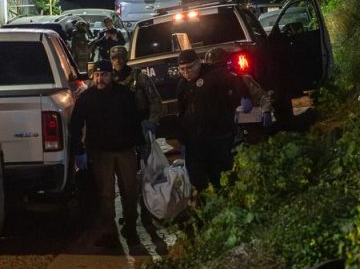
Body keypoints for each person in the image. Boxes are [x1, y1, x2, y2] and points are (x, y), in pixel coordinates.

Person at [70, 59, 142, 247]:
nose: (100, 79)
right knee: (105, 194)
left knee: (130, 191)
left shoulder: (124, 95)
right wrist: (79, 150)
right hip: (100, 153)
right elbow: (76, 124)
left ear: (112, 76)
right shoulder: (87, 98)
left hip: (125, 150)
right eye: (98, 75)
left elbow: (135, 120)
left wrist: (140, 145)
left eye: (105, 75)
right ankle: (109, 231)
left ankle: (131, 228)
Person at [175, 48, 251, 191]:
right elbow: (182, 110)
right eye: (182, 69)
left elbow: (236, 81)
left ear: (198, 63)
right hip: (194, 139)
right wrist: (182, 136)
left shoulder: (213, 74)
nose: (186, 72)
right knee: (197, 176)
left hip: (218, 135)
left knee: (221, 174)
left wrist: (244, 97)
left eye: (190, 68)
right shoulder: (182, 85)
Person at [203, 47, 273, 131]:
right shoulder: (203, 86)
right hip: (220, 131)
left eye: (221, 65)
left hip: (246, 128)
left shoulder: (242, 79)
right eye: (214, 67)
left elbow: (262, 97)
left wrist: (266, 111)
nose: (219, 71)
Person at [110, 45, 162, 139]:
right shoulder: (109, 80)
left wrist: (152, 121)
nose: (117, 61)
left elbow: (155, 101)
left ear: (126, 58)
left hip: (141, 124)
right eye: (114, 58)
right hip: (119, 127)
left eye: (121, 58)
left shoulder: (140, 77)